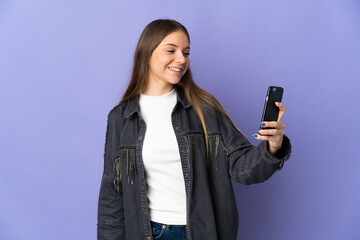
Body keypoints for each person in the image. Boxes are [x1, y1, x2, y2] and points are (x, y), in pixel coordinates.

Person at [97, 19, 291, 240]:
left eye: (186, 52)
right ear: (147, 53)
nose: (181, 59)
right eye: (171, 50)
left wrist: (273, 147)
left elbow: (243, 169)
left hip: (199, 233)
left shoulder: (204, 108)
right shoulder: (121, 118)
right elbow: (112, 197)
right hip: (148, 233)